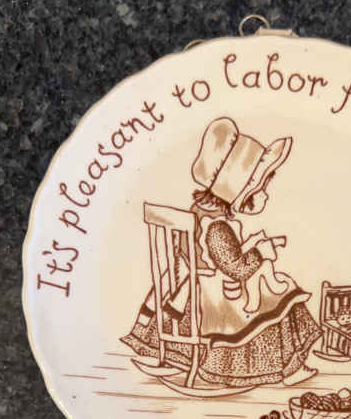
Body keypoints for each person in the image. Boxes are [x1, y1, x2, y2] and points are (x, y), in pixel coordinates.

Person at [121, 116, 321, 389]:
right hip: (212, 297)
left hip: (192, 289)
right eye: (259, 188)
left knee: (276, 290)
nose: (263, 195)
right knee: (284, 296)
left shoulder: (201, 214)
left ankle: (181, 358)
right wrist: (261, 253)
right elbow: (235, 268)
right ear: (240, 189)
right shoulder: (217, 227)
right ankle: (289, 368)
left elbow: (219, 257)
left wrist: (252, 246)